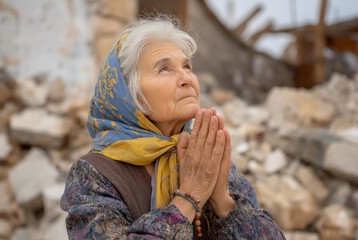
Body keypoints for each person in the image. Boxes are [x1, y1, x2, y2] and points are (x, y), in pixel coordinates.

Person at [60, 16, 285, 239]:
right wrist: (190, 197)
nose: (187, 78)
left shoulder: (203, 158)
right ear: (127, 96)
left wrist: (222, 201)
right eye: (165, 69)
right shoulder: (94, 175)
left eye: (187, 66)